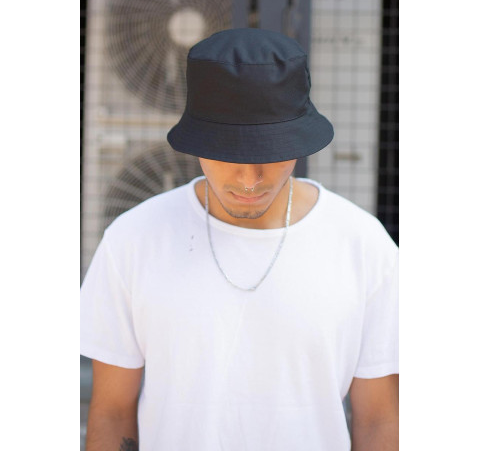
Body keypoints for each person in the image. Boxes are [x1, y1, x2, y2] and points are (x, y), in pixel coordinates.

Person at [81, 28, 399, 451]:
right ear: (197, 140)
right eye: (228, 152)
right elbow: (111, 412)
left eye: (270, 152)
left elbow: (378, 419)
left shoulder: (362, 246)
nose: (250, 180)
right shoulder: (134, 240)